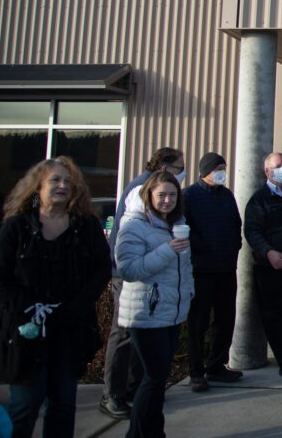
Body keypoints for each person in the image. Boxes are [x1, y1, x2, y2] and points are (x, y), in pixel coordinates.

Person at [0, 157, 111, 438]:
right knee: (25, 406)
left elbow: (101, 270)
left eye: (68, 181)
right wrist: (27, 308)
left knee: (63, 405)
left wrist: (73, 309)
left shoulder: (86, 227)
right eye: (55, 180)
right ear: (37, 187)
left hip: (69, 330)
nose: (63, 185)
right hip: (25, 331)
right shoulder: (16, 227)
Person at [100, 146, 184, 419]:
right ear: (164, 167)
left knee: (140, 340)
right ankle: (113, 394)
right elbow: (134, 251)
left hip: (155, 280)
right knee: (124, 333)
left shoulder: (154, 191)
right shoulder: (141, 190)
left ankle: (138, 390)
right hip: (129, 278)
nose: (168, 199)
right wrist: (168, 250)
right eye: (179, 168)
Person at [116, 170, 194, 438]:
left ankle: (154, 432)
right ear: (148, 195)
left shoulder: (175, 223)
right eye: (161, 195)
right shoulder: (134, 225)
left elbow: (184, 267)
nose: (167, 200)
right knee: (153, 379)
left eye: (172, 195)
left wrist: (189, 292)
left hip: (170, 312)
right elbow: (128, 269)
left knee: (158, 380)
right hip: (145, 313)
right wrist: (167, 250)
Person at [243, 152, 282, 382]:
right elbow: (252, 231)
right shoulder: (259, 200)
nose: (281, 169)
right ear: (267, 171)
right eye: (276, 166)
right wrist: (269, 252)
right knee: (276, 317)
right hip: (270, 268)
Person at [182, 152, 243, 391]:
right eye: (218, 167)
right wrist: (204, 247)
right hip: (201, 270)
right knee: (198, 323)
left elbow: (236, 223)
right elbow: (185, 229)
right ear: (205, 170)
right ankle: (196, 372)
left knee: (225, 319)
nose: (222, 172)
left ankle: (217, 366)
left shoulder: (226, 195)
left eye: (224, 167)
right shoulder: (190, 196)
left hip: (226, 268)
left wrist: (234, 246)